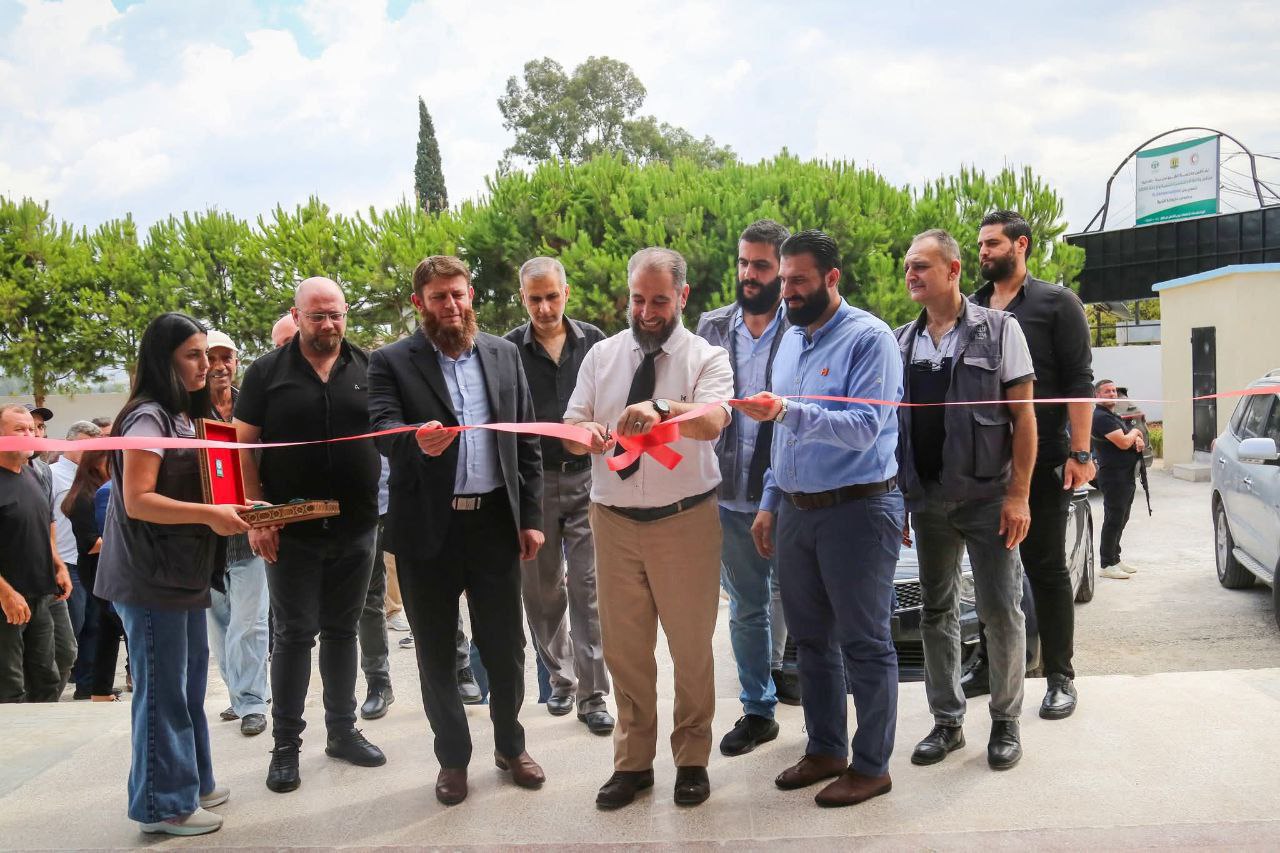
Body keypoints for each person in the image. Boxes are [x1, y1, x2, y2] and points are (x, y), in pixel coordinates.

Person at [367, 254, 547, 807]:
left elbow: (526, 440)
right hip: (427, 529)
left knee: (506, 647)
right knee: (436, 652)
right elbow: (381, 429)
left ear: (471, 296)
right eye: (439, 297)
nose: (451, 305)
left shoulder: (503, 354)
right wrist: (413, 440)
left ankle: (511, 746)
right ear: (419, 303)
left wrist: (531, 518)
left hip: (494, 523)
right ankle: (453, 758)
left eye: (458, 294)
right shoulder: (390, 361)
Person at [733, 229, 904, 808]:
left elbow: (864, 430)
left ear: (833, 278)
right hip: (797, 513)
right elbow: (783, 438)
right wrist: (770, 501)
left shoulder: (870, 339)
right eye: (783, 280)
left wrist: (787, 409)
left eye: (799, 280)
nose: (787, 291)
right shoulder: (789, 340)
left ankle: (872, 766)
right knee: (810, 642)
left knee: (865, 643)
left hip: (858, 510)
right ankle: (827, 749)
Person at [563, 246, 733, 810]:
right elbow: (572, 425)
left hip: (685, 522)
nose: (646, 311)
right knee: (625, 650)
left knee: (691, 649)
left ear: (683, 296)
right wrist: (586, 435)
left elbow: (712, 421)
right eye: (638, 299)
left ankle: (692, 760)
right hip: (612, 523)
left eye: (659, 301)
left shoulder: (707, 357)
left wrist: (663, 408)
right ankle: (633, 764)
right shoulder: (601, 356)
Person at [95, 312, 255, 836]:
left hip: (184, 574)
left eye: (207, 354)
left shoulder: (184, 416)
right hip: (151, 579)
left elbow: (203, 488)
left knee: (185, 688)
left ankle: (192, 784)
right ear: (163, 360)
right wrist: (211, 515)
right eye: (193, 355)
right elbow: (139, 500)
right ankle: (164, 807)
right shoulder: (148, 419)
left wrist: (241, 506)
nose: (206, 365)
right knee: (163, 693)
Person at [893, 229, 1037, 771]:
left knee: (1001, 611)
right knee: (936, 612)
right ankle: (947, 723)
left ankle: (1005, 722)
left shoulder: (1000, 330)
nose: (911, 274)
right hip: (927, 501)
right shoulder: (900, 342)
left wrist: (1018, 494)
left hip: (988, 498)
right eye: (908, 266)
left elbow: (1024, 418)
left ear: (953, 271)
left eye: (921, 266)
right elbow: (894, 429)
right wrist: (901, 498)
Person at [235, 278, 386, 793]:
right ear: (296, 316)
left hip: (357, 526)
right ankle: (285, 747)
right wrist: (258, 518)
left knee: (343, 631)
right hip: (290, 531)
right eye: (317, 315)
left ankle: (342, 732)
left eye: (336, 314)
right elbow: (244, 448)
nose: (328, 325)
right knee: (295, 635)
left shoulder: (369, 368)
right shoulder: (265, 373)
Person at [970, 210, 1095, 720]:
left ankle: (1059, 675)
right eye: (980, 244)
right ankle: (989, 665)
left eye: (993, 243)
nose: (983, 252)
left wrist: (1081, 453)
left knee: (1045, 567)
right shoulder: (973, 306)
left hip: (1043, 459)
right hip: (982, 462)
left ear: (1021, 245)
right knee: (988, 571)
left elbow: (1080, 381)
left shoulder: (1057, 303)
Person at [696, 219, 796, 758]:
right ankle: (758, 710)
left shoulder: (802, 325)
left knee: (803, 601)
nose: (748, 274)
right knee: (746, 606)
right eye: (742, 262)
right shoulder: (710, 326)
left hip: (792, 493)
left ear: (782, 270)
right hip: (728, 494)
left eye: (760, 265)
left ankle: (815, 708)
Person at [504, 256, 615, 735]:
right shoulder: (507, 350)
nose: (545, 308)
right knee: (541, 590)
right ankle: (561, 678)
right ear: (523, 298)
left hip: (590, 478)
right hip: (533, 484)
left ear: (566, 293)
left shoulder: (596, 343)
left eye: (552, 296)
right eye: (535, 299)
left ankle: (593, 693)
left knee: (589, 589)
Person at [204, 330, 271, 736]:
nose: (219, 366)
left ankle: (251, 701)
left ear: (236, 361)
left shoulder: (253, 405)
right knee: (220, 625)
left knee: (250, 621)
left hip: (249, 531)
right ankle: (241, 693)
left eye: (226, 357)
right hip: (205, 535)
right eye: (210, 357)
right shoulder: (184, 412)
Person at [0, 404, 73, 703]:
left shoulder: (32, 474)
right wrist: (6, 593)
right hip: (7, 602)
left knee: (47, 678)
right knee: (10, 687)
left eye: (32, 429)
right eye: (20, 429)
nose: (30, 435)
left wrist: (58, 565)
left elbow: (46, 525)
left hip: (40, 595)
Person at [59, 446, 124, 701]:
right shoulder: (85, 497)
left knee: (107, 629)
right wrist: (128, 541)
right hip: (95, 568)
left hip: (103, 567)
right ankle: (94, 687)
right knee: (115, 624)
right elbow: (90, 543)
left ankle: (99, 689)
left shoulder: (100, 491)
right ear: (97, 462)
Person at [51, 420, 103, 700]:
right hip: (65, 561)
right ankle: (55, 685)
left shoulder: (95, 478)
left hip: (91, 562)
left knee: (94, 626)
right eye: (84, 446)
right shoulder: (52, 475)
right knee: (73, 628)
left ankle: (88, 686)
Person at [1092, 379, 1145, 579]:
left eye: (1114, 391)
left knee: (1122, 518)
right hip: (1114, 476)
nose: (1112, 394)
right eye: (1107, 391)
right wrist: (1136, 432)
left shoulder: (1112, 416)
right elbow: (1123, 442)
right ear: (1097, 395)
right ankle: (1107, 564)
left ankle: (1115, 558)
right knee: (1113, 520)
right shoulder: (1101, 417)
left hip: (1125, 474)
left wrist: (1137, 439)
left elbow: (1128, 439)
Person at [357, 456, 395, 720]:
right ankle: (378, 683)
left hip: (411, 498)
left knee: (433, 591)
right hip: (363, 505)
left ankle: (459, 668)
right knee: (368, 599)